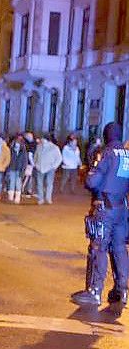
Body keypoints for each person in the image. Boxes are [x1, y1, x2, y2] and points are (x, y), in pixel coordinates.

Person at [71, 122, 129, 307]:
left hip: (105, 208)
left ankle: (95, 291)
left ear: (107, 135)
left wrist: (90, 173)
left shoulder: (107, 153)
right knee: (119, 249)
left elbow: (92, 181)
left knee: (99, 248)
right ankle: (121, 291)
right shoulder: (127, 155)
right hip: (122, 208)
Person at [34, 134, 63, 205]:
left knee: (49, 183)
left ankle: (48, 198)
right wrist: (36, 164)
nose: (41, 140)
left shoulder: (54, 147)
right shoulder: (39, 146)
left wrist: (54, 166)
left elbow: (59, 158)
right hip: (40, 168)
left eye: (42, 139)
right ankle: (40, 198)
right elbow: (36, 156)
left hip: (50, 168)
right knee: (39, 184)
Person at [5, 137, 28, 204]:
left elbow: (25, 162)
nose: (17, 144)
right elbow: (9, 159)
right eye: (16, 143)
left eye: (18, 143)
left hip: (19, 170)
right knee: (11, 182)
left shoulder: (23, 151)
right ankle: (11, 196)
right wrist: (8, 169)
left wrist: (23, 170)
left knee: (18, 183)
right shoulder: (11, 150)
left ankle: (17, 197)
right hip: (12, 169)